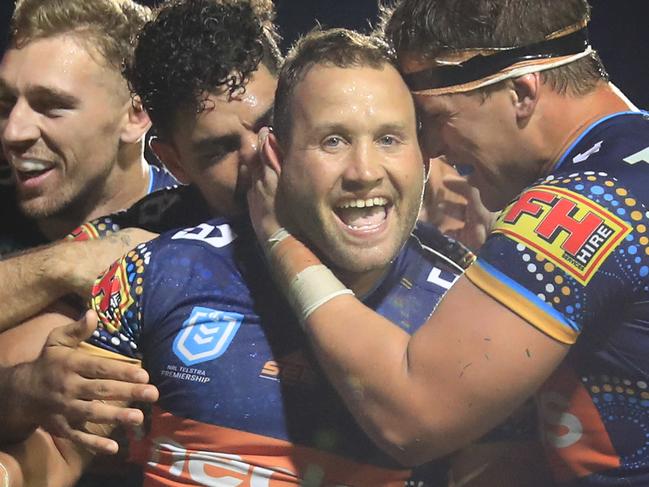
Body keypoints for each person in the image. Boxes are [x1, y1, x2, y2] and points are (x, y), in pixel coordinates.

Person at [0, 25, 469, 486]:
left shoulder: (472, 301)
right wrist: (25, 391)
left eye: (389, 138)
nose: (364, 170)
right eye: (333, 140)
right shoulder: (152, 264)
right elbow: (50, 455)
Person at [245, 0, 649, 485]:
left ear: (522, 91)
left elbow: (414, 416)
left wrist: (280, 237)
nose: (432, 148)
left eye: (437, 116)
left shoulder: (585, 203)